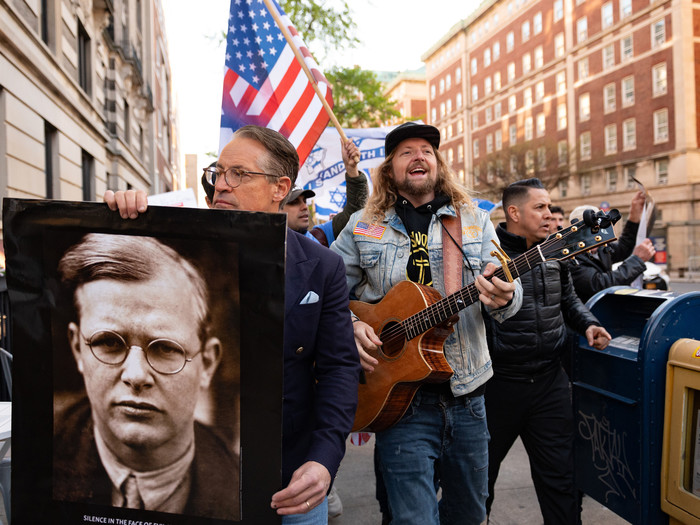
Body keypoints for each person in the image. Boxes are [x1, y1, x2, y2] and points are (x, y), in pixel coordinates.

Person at [104, 124, 361, 524]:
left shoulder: (322, 267)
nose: (220, 185)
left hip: (288, 478)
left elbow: (339, 368)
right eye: (218, 172)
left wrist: (324, 460)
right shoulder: (176, 247)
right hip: (187, 481)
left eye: (238, 174)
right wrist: (120, 219)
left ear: (280, 188)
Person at [331, 121, 523, 525]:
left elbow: (506, 282)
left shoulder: (473, 220)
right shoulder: (363, 225)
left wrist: (506, 295)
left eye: (427, 150)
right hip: (398, 400)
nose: (419, 156)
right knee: (413, 520)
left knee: (469, 516)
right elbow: (324, 288)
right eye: (406, 152)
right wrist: (348, 321)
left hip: (467, 396)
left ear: (437, 164)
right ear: (389, 170)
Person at [53, 233, 238, 520]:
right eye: (109, 343)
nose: (136, 375)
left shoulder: (243, 489)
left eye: (165, 347)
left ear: (208, 364)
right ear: (78, 348)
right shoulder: (38, 460)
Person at [482, 178, 612, 524]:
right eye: (539, 207)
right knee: (480, 483)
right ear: (514, 212)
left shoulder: (556, 249)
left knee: (562, 481)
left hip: (550, 382)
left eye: (548, 206)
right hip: (499, 385)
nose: (549, 214)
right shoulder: (486, 253)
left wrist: (588, 323)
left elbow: (567, 299)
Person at [568, 190, 655, 302]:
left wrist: (634, 216)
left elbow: (624, 247)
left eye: (597, 229)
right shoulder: (571, 259)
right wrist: (637, 260)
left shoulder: (601, 249)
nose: (595, 235)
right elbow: (601, 284)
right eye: (588, 231)